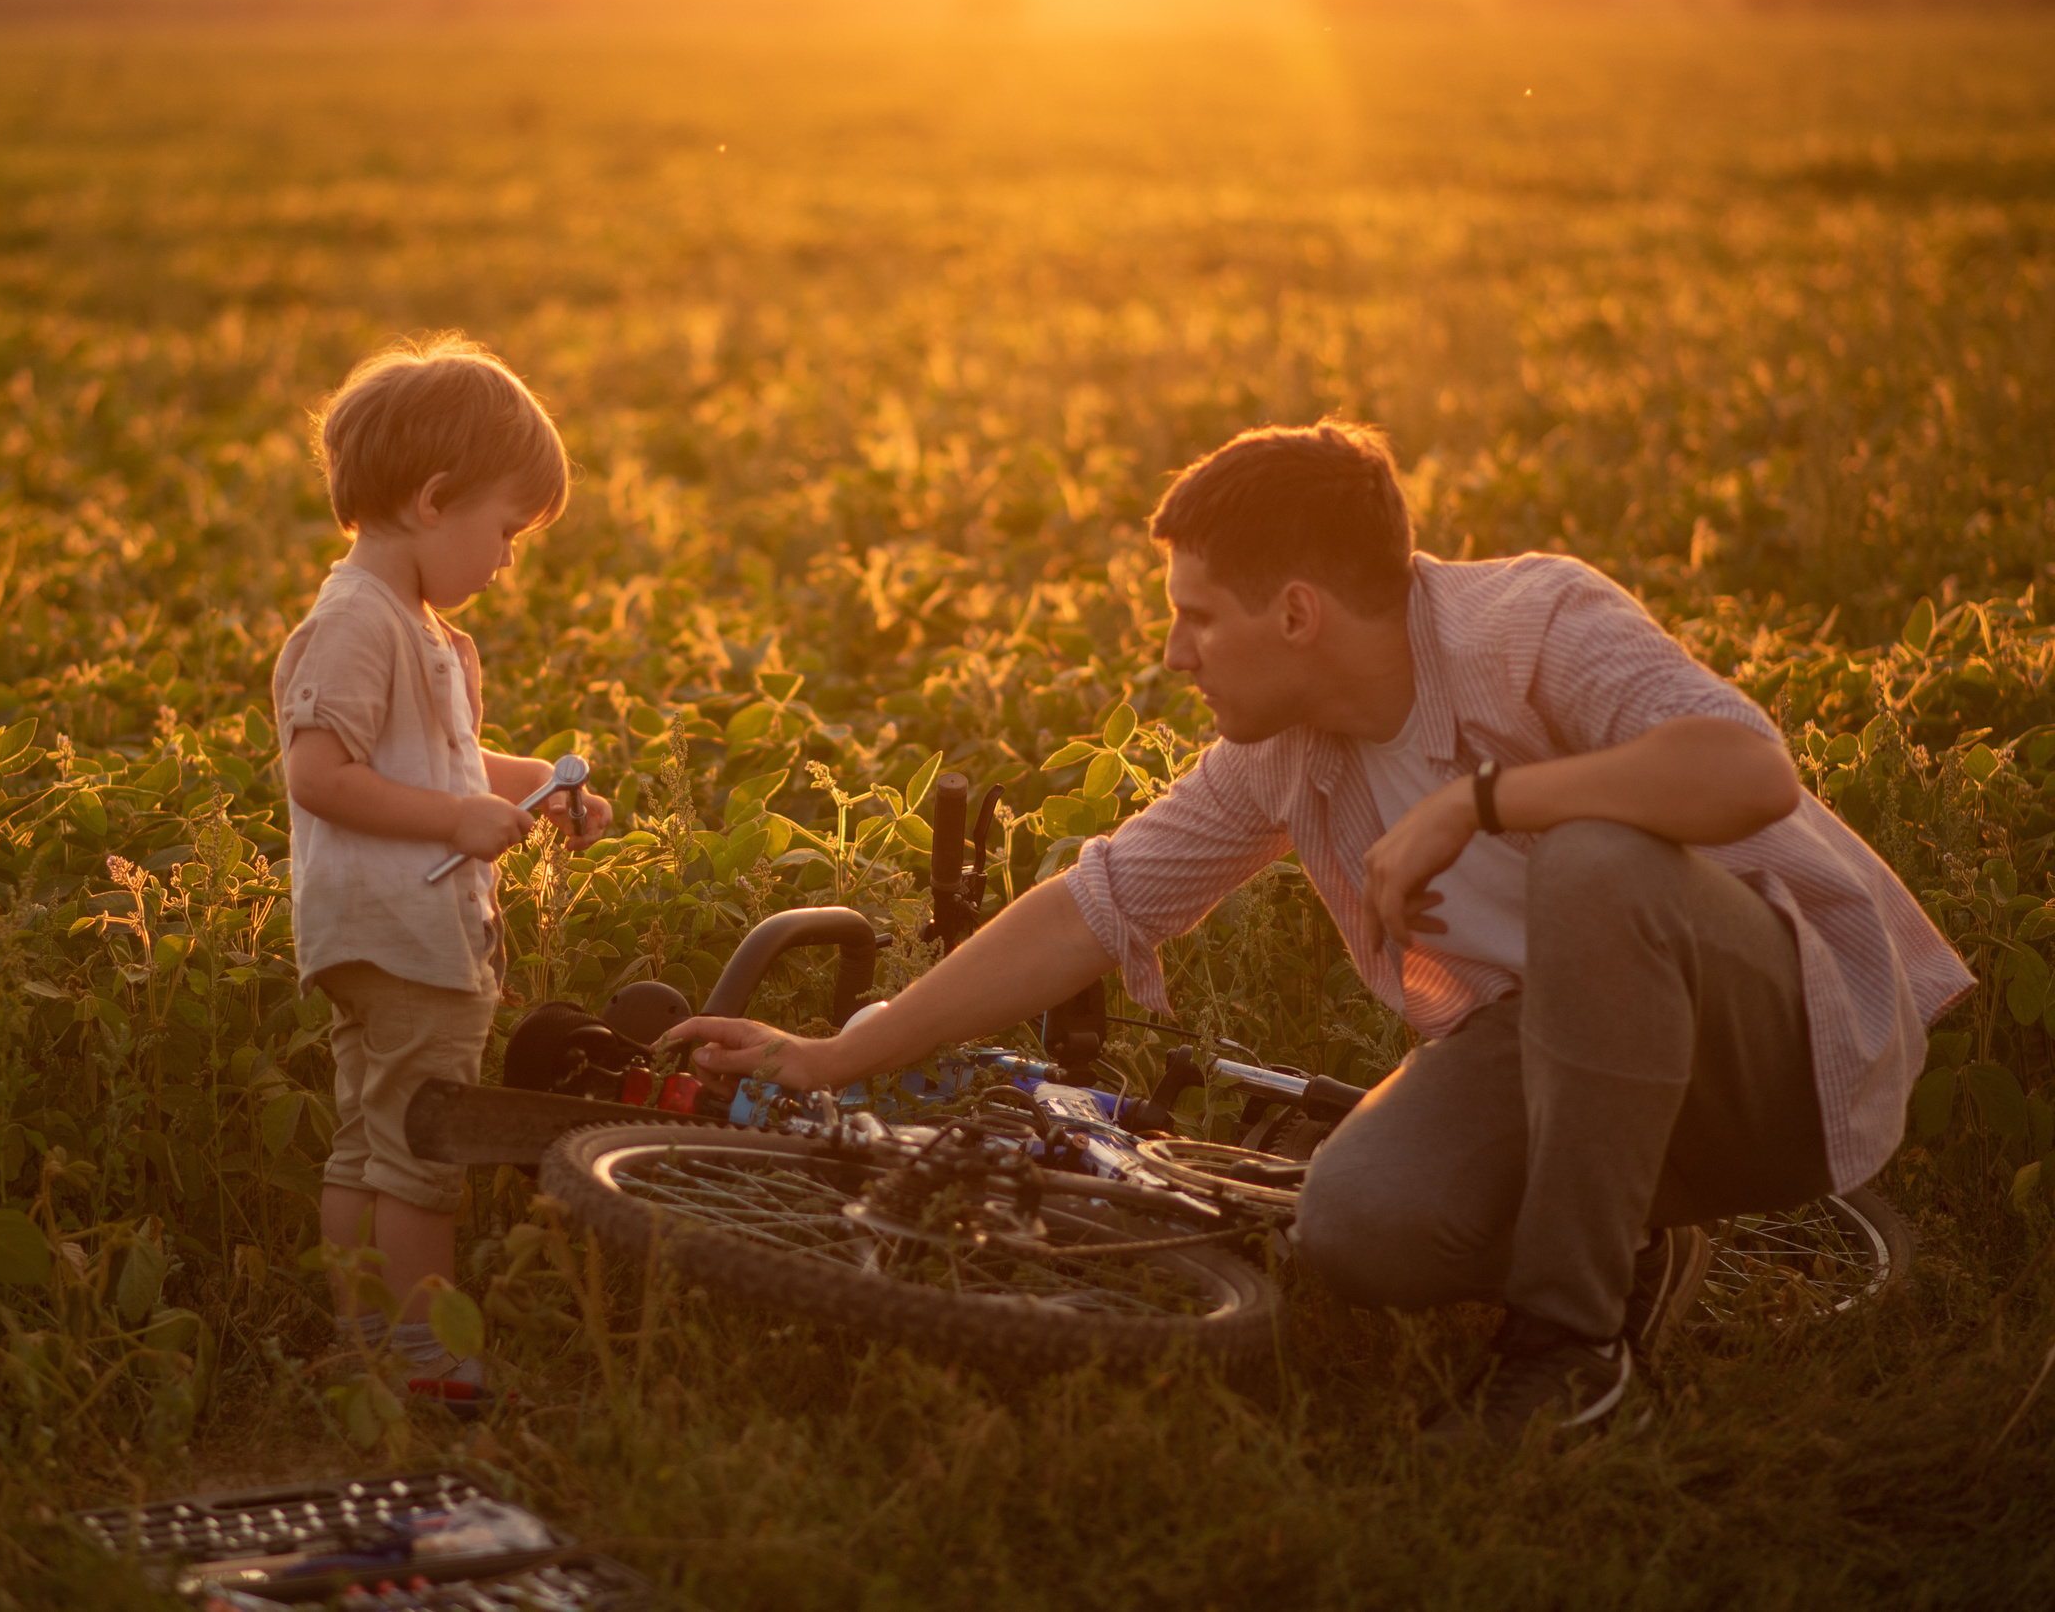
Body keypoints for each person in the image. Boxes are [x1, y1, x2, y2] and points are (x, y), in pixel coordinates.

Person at [670, 420, 1970, 1446]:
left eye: (1197, 615)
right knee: (1359, 1224)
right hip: (1553, 1042)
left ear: (1296, 613)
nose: (1176, 653)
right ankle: (1625, 1223)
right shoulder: (1284, 753)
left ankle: (1569, 1351)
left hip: (1776, 1049)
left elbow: (1745, 773)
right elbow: (1099, 900)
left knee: (1598, 858)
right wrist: (847, 1050)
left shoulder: (1532, 624)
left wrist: (1485, 800)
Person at [276, 333, 611, 1409]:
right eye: (506, 529)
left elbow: (450, 768)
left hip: (386, 935)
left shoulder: (408, 624)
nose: (507, 557)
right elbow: (321, 773)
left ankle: (362, 1346)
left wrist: (532, 788)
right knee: (425, 1150)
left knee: (369, 1144)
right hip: (404, 939)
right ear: (432, 498)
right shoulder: (355, 623)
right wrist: (455, 823)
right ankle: (428, 1367)